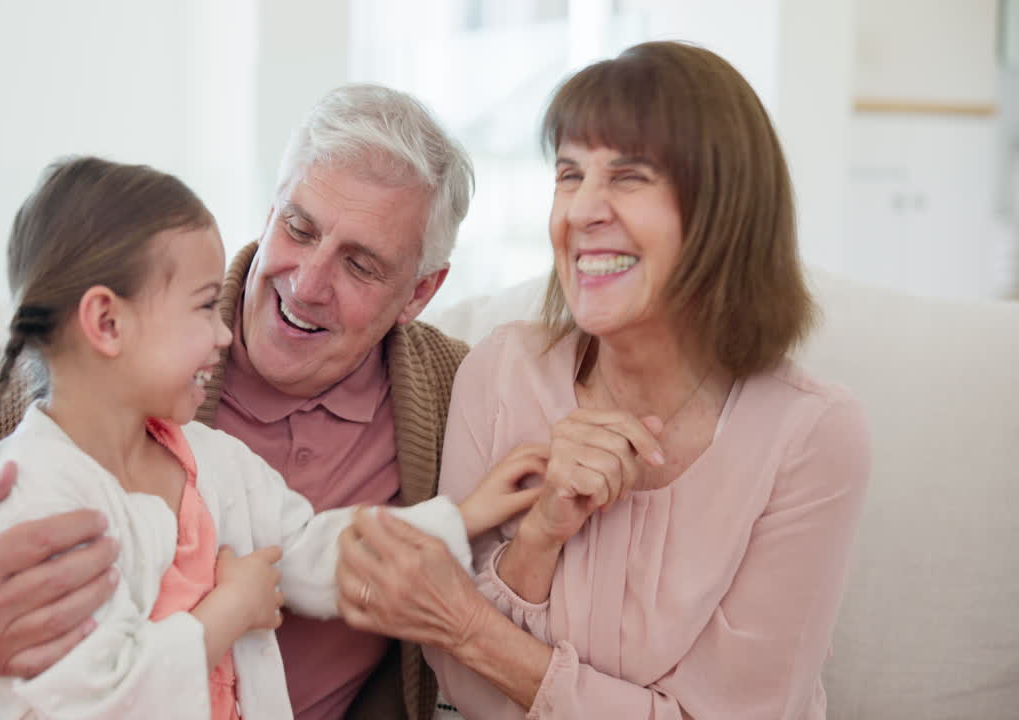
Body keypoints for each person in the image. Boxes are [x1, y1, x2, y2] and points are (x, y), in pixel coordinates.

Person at [0, 84, 479, 720]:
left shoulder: (455, 392)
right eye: (299, 229)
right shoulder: (97, 346)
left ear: (420, 292)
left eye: (360, 265)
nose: (306, 284)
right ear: (271, 208)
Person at [333, 41, 871, 719]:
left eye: (628, 176)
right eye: (569, 174)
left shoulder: (810, 435)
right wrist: (539, 537)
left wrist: (470, 625)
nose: (582, 210)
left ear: (723, 211)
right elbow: (464, 690)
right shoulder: (500, 372)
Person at [0, 156, 531, 720]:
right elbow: (91, 698)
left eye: (360, 263)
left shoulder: (210, 461)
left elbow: (312, 550)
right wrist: (229, 611)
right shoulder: (36, 492)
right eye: (202, 308)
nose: (223, 333)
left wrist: (465, 515)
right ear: (106, 324)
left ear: (419, 291)